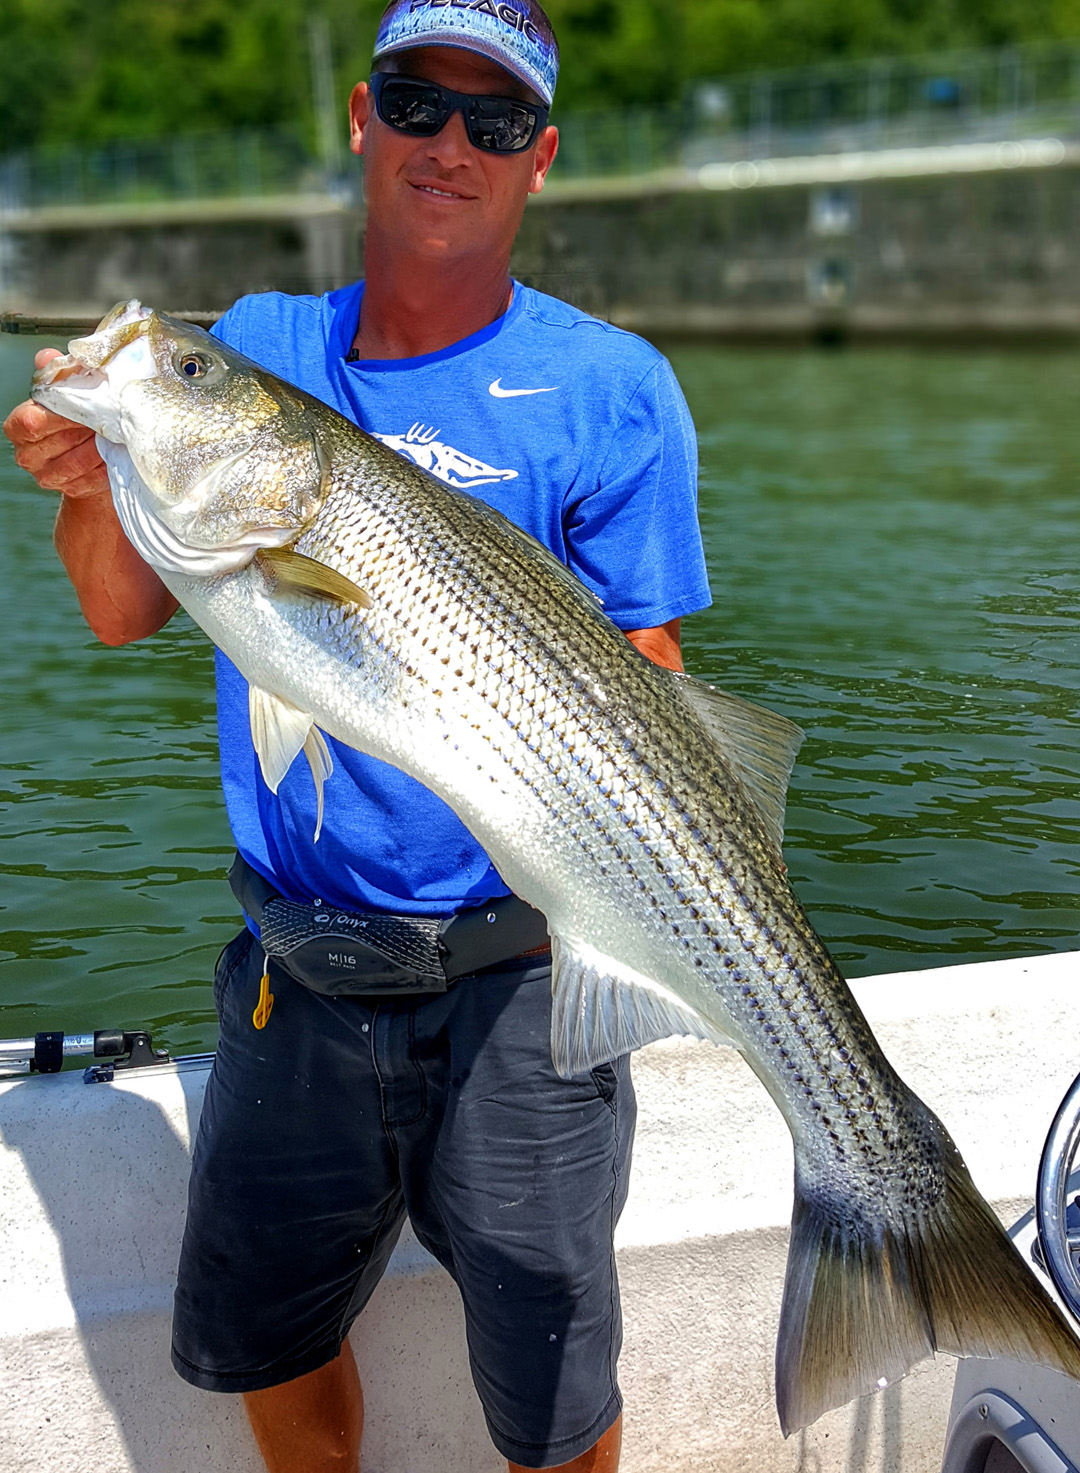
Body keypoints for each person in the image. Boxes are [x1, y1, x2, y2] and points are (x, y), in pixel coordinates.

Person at [4, 3, 711, 1469]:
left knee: (553, 1396)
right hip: (298, 985)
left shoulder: (615, 386)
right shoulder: (259, 344)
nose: (450, 144)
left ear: (542, 160)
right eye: (416, 101)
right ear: (359, 118)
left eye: (494, 121)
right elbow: (123, 611)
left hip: (520, 981)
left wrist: (532, 726)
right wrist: (94, 476)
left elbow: (653, 669)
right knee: (280, 1346)